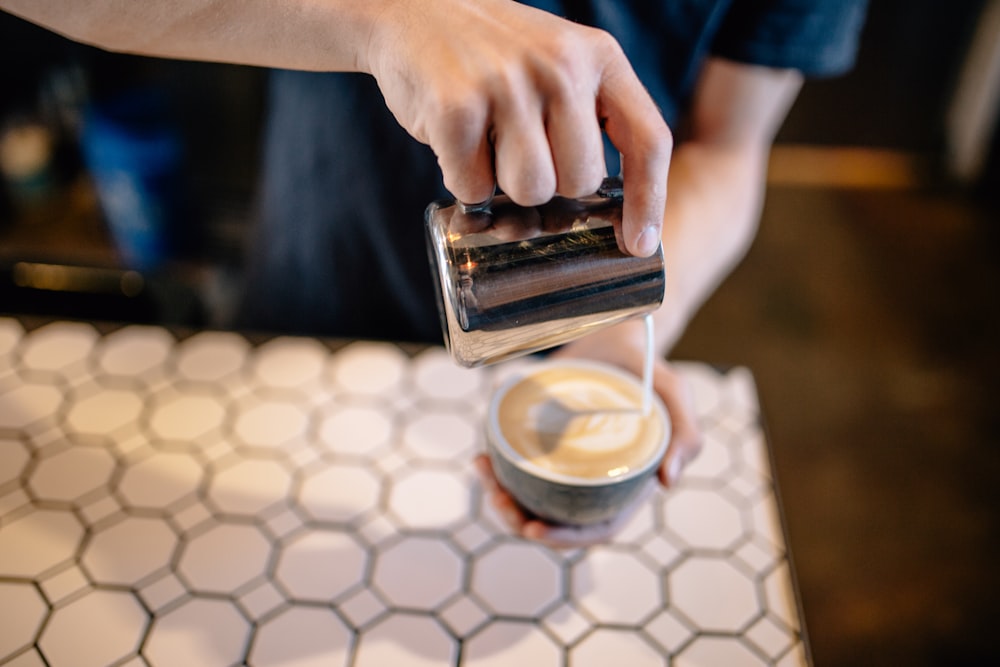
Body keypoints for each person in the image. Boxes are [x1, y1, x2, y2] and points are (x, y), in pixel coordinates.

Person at [0, 0, 868, 546]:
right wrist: (383, 16)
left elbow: (727, 146)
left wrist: (608, 341)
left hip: (563, 346)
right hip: (307, 326)